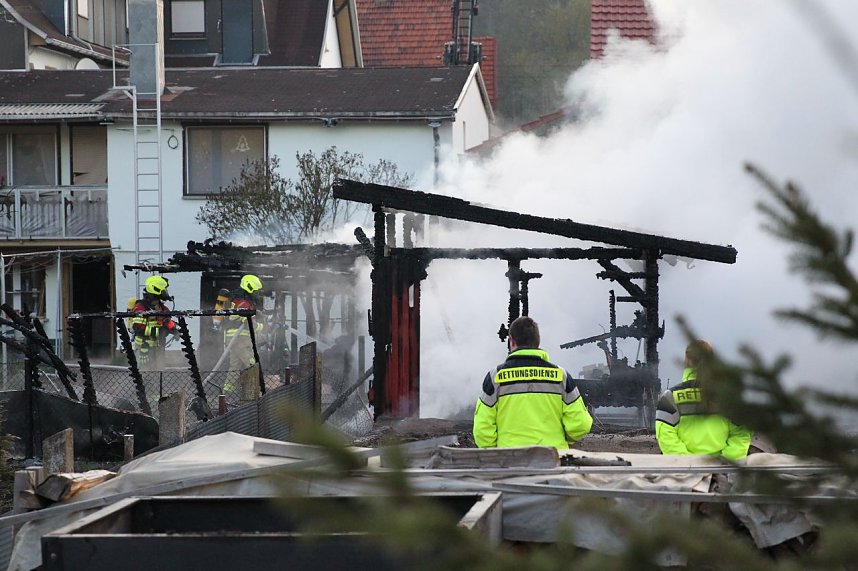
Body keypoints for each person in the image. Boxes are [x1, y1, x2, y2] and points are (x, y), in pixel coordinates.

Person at [473, 316, 593, 449]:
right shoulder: (561, 376)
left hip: (509, 463)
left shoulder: (494, 377)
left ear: (511, 341)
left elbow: (482, 429)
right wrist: (563, 440)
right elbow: (581, 424)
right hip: (553, 461)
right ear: (538, 342)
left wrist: (497, 452)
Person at [655, 340, 752, 460]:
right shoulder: (727, 397)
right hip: (723, 473)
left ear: (686, 361)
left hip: (683, 473)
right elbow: (741, 434)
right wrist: (724, 464)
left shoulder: (670, 397)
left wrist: (687, 463)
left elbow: (666, 436)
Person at [130, 275, 177, 369]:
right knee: (143, 375)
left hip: (159, 349)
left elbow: (167, 322)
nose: (165, 293)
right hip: (144, 349)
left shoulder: (163, 308)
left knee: (159, 375)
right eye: (164, 290)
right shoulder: (141, 307)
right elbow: (138, 328)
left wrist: (174, 329)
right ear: (155, 290)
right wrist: (159, 332)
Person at [225, 274, 265, 372]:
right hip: (241, 338)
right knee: (252, 365)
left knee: (234, 368)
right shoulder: (244, 302)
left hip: (232, 338)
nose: (257, 294)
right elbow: (248, 323)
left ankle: (228, 388)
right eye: (256, 291)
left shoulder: (236, 299)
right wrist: (261, 327)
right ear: (249, 287)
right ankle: (255, 387)